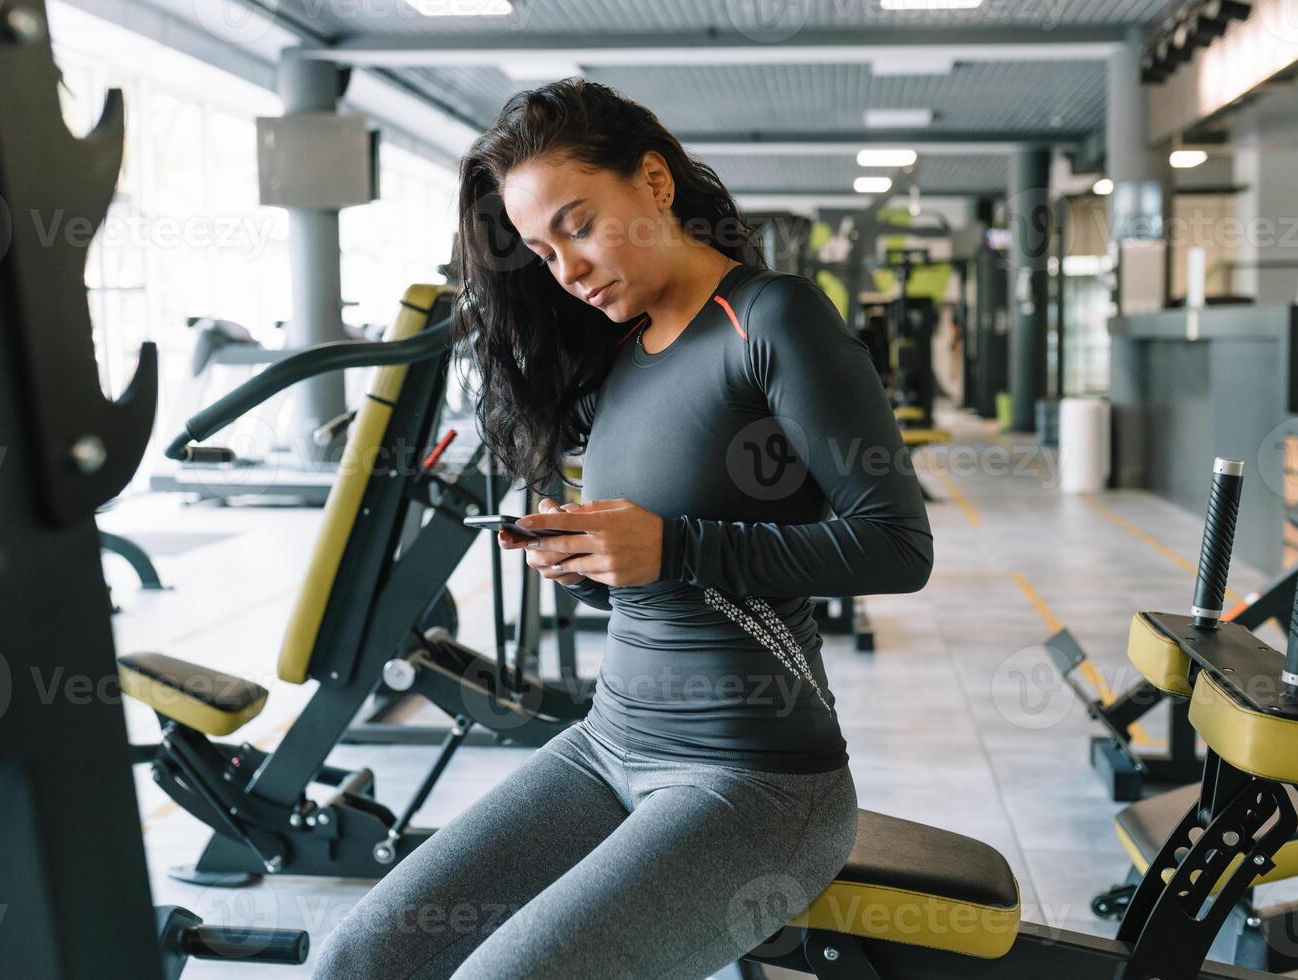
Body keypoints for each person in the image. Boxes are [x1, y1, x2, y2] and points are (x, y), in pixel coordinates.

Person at [313, 78, 933, 980]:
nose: (564, 269)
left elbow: (898, 546)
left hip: (757, 781)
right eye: (539, 249)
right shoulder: (615, 355)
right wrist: (596, 560)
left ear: (654, 181)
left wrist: (672, 545)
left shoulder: (771, 319)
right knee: (358, 962)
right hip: (606, 747)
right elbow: (666, 562)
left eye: (577, 224)